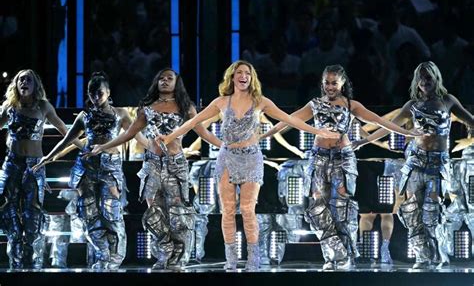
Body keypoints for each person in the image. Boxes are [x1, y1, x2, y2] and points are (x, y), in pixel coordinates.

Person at [158, 60, 339, 271]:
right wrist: (170, 136)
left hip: (252, 158)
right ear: (232, 77)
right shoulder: (221, 102)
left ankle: (253, 259)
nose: (244, 76)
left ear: (251, 78)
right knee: (227, 210)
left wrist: (319, 132)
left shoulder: (260, 101)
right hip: (227, 157)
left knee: (247, 209)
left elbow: (290, 120)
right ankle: (231, 259)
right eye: (240, 73)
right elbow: (192, 122)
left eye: (248, 73)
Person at [261, 64, 419, 270]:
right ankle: (336, 253)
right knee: (316, 208)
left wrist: (406, 133)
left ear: (342, 83)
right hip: (318, 158)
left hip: (342, 158)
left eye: (334, 82)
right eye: (326, 82)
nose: (330, 86)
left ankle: (342, 258)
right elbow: (289, 120)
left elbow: (378, 120)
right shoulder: (315, 104)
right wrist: (265, 135)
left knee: (341, 209)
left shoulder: (351, 104)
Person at [86, 68, 221, 270]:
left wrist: (226, 146)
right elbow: (129, 134)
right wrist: (103, 146)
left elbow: (203, 132)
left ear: (177, 83)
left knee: (178, 213)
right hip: (152, 165)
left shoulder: (186, 107)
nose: (165, 81)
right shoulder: (147, 107)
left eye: (169, 78)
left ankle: (178, 257)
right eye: (161, 78)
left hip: (176, 165)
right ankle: (164, 252)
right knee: (154, 213)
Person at [354, 61, 474, 269]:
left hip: (438, 164)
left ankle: (436, 254)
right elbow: (390, 126)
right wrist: (364, 141)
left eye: (428, 77)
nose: (424, 82)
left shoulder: (448, 101)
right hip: (416, 161)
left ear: (436, 78)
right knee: (411, 211)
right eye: (421, 78)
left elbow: (470, 120)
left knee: (431, 211)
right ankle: (422, 256)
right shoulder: (412, 105)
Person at [33, 72, 136, 269]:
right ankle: (103, 254)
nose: (95, 98)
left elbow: (133, 135)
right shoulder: (84, 116)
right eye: (91, 94)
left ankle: (115, 257)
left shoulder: (120, 113)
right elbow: (67, 140)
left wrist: (156, 147)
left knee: (111, 213)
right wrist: (48, 157)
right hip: (86, 167)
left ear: (108, 92)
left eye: (99, 93)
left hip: (109, 167)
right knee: (87, 213)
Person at [0, 69, 81, 269]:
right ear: (16, 85)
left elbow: (64, 129)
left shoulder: (43, 106)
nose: (24, 82)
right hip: (11, 164)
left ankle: (32, 260)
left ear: (35, 84)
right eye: (20, 79)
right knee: (7, 209)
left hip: (34, 165)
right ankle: (16, 254)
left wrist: (85, 147)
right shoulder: (10, 107)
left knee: (32, 213)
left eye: (28, 79)